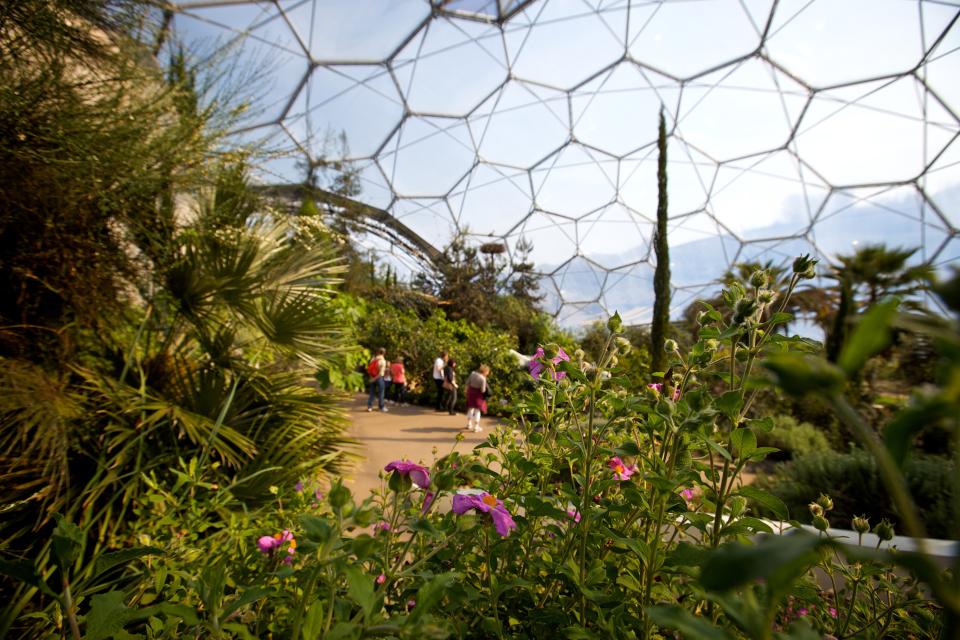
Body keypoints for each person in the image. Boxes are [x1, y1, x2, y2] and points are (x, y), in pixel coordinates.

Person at [464, 364, 490, 432]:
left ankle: (469, 424)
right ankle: (476, 427)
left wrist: (466, 391)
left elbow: (467, 383)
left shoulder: (473, 373)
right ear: (485, 371)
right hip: (478, 395)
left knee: (470, 408)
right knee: (477, 410)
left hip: (470, 392)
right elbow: (483, 390)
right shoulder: (483, 379)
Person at [366, 348, 388, 413]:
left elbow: (369, 369)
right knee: (381, 393)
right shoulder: (383, 361)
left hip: (372, 376)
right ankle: (381, 407)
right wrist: (375, 379)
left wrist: (371, 378)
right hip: (379, 378)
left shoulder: (373, 359)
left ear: (378, 352)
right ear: (384, 353)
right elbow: (381, 373)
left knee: (372, 393)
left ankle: (369, 407)